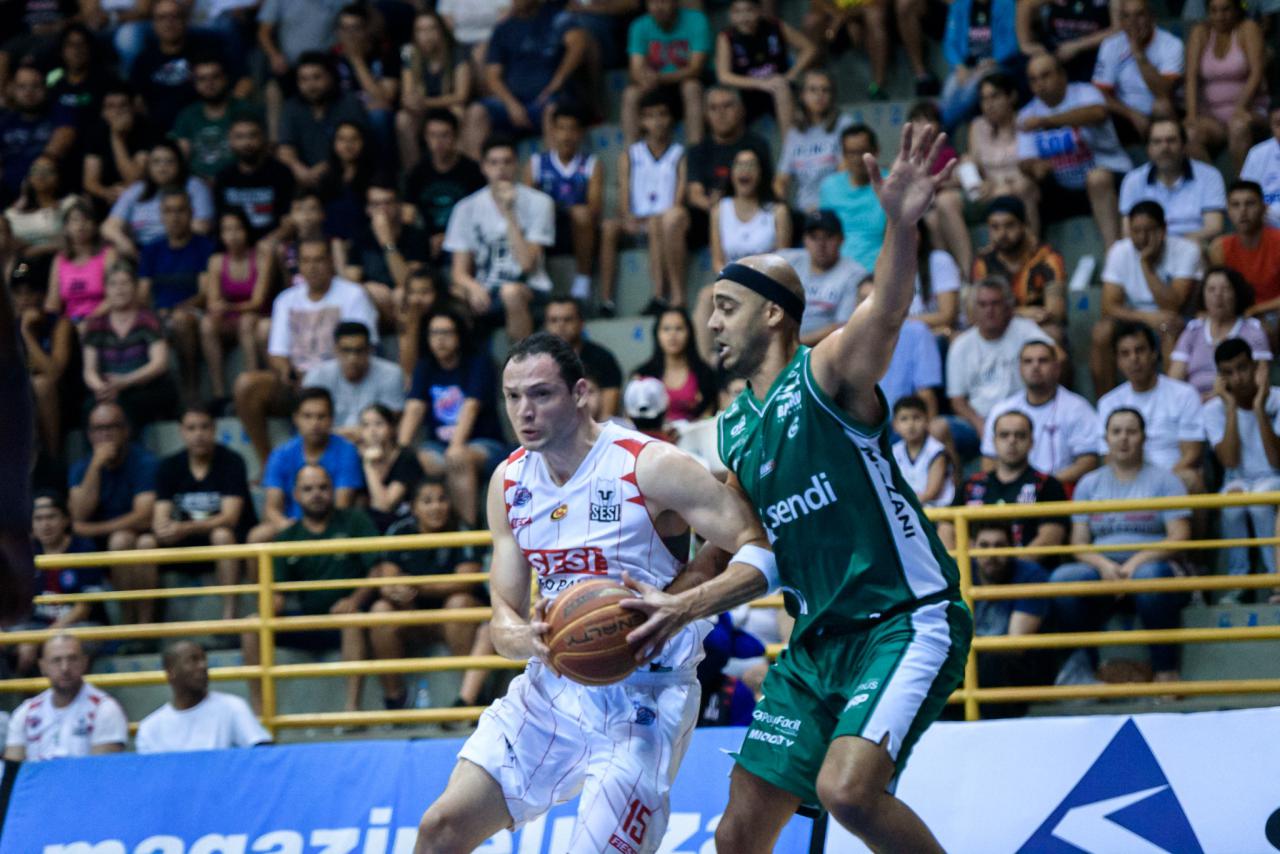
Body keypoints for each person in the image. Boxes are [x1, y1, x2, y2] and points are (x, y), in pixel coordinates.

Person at [699, 124, 971, 854]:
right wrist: (659, 605)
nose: (711, 322)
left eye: (726, 306)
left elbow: (885, 307)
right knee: (738, 836)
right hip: (814, 646)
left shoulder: (823, 375)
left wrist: (901, 223)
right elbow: (728, 543)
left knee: (846, 791)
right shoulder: (732, 431)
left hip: (902, 620)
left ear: (774, 313)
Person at [412, 331, 776, 854]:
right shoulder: (509, 482)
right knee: (438, 830)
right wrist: (530, 639)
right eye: (512, 396)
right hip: (552, 686)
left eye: (540, 394)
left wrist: (680, 604)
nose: (524, 411)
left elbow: (750, 542)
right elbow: (502, 620)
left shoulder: (647, 464)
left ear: (580, 394)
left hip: (647, 694)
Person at [1049, 407, 1191, 683]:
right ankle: (1087, 672)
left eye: (1131, 431)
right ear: (1106, 438)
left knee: (1151, 578)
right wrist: (1104, 566)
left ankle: (1166, 669)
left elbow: (1180, 536)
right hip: (1102, 569)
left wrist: (1134, 564)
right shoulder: (1089, 484)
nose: (1123, 438)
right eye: (1116, 432)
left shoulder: (1165, 480)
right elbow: (1078, 543)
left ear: (1143, 437)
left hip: (1151, 566)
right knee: (1063, 579)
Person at [241, 464, 381, 714]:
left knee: (353, 620)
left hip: (345, 618)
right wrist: (273, 605)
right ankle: (261, 712)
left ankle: (351, 711)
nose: (316, 494)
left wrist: (354, 600)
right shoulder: (288, 537)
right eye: (308, 489)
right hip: (306, 618)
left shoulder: (354, 520)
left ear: (332, 490)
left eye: (323, 488)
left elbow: (376, 570)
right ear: (295, 495)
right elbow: (277, 591)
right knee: (252, 626)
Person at [234, 239, 378, 466]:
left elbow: (362, 347)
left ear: (331, 262)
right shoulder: (286, 300)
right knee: (247, 385)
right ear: (298, 265)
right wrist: (288, 372)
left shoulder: (353, 295)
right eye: (307, 261)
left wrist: (319, 377)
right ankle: (268, 464)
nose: (313, 266)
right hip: (298, 384)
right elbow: (277, 353)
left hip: (341, 379)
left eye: (319, 260)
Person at [370, 477, 490, 710]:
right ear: (414, 507)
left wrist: (415, 585)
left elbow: (466, 580)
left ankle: (471, 697)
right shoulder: (400, 531)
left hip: (452, 621)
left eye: (442, 500)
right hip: (412, 615)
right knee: (380, 610)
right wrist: (395, 589)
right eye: (427, 501)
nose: (436, 507)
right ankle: (395, 698)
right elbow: (388, 577)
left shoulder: (462, 529)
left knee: (459, 604)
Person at [398, 308, 507, 527]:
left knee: (457, 457)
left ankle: (466, 536)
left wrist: (455, 446)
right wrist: (400, 450)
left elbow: (471, 406)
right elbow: (414, 408)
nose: (439, 339)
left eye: (446, 333)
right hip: (438, 446)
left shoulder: (479, 362)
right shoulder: (425, 366)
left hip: (484, 445)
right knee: (417, 459)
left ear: (459, 335)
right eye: (434, 333)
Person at [444, 136, 555, 342]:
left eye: (507, 161)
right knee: (453, 295)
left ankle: (522, 360)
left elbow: (527, 265)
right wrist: (473, 287)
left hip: (530, 288)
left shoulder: (540, 203)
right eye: (494, 163)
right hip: (485, 290)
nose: (500, 169)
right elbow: (458, 272)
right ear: (483, 167)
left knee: (510, 292)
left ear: (517, 165)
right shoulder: (465, 208)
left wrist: (509, 212)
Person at [1017, 53, 1130, 248]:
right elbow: (1025, 161)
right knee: (1023, 186)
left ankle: (1114, 254)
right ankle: (1031, 256)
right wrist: (1034, 167)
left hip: (1109, 176)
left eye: (1045, 76)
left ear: (1062, 75)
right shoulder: (1027, 114)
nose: (1040, 84)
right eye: (1033, 79)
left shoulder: (1085, 93)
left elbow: (1098, 113)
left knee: (1097, 178)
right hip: (1063, 187)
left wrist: (1047, 121)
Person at [153, 403, 253, 622]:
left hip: (223, 540)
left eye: (204, 427)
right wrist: (164, 528)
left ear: (214, 429)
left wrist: (184, 527)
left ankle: (229, 616)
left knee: (222, 535)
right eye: (191, 428)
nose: (198, 434)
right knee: (143, 544)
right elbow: (159, 517)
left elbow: (230, 517)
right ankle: (142, 626)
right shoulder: (169, 466)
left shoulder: (232, 462)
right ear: (181, 431)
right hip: (185, 541)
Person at [938, 277, 1054, 460]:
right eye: (982, 305)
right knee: (938, 428)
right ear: (973, 310)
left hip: (1024, 417)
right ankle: (959, 488)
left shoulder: (1025, 330)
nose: (989, 311)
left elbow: (1057, 357)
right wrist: (981, 426)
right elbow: (957, 400)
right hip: (978, 421)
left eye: (995, 304)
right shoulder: (961, 345)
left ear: (1008, 307)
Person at [1200, 338, 1280, 598]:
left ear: (1256, 367)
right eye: (1228, 372)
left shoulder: (1277, 399)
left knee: (1259, 502)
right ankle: (1239, 580)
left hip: (1274, 477)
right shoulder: (1213, 410)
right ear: (1220, 378)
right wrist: (1232, 407)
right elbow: (1230, 461)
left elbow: (1276, 460)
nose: (1238, 377)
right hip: (1238, 479)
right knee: (1232, 503)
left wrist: (1258, 407)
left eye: (1243, 368)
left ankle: (1274, 577)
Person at [68, 401, 160, 626]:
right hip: (95, 545)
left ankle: (144, 625)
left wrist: (92, 529)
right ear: (89, 435)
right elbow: (78, 513)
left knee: (130, 541)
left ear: (126, 430)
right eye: (98, 429)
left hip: (139, 535)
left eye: (112, 427)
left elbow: (144, 516)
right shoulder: (82, 467)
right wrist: (95, 467)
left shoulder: (145, 462)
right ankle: (129, 622)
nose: (105, 434)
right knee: (120, 539)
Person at [1094, 200, 1201, 391]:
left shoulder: (1186, 250)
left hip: (1175, 316)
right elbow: (1108, 307)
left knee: (1169, 326)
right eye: (1136, 231)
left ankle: (1171, 401)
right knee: (1102, 332)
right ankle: (1105, 402)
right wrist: (1146, 317)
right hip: (1136, 316)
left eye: (1149, 230)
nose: (1142, 237)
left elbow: (1173, 304)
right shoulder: (1120, 251)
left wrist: (1146, 265)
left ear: (1163, 229)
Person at [460, 0, 589, 156]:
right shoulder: (504, 29)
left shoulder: (557, 17)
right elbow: (492, 75)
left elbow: (579, 43)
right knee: (476, 112)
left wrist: (558, 81)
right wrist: (511, 104)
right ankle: (477, 176)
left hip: (548, 100)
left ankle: (553, 174)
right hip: (512, 104)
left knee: (554, 111)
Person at [600, 91, 687, 316]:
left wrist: (659, 218)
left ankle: (659, 295)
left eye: (662, 115)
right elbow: (623, 194)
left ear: (671, 119)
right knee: (609, 227)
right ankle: (606, 301)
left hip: (663, 219)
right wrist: (627, 217)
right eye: (649, 116)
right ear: (640, 121)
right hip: (635, 219)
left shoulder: (679, 154)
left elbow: (680, 196)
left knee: (659, 222)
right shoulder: (630, 155)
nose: (656, 122)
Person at [939, 409, 1070, 555]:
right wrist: (962, 567)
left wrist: (1009, 567)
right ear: (994, 441)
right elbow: (946, 527)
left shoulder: (1049, 485)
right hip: (974, 572)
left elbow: (1050, 537)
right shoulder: (971, 484)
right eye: (1004, 435)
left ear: (1031, 442)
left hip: (1028, 574)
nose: (1012, 441)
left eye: (1020, 435)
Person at [1097, 320, 1205, 492]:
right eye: (1125, 354)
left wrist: (1158, 484)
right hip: (1128, 479)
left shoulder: (1184, 394)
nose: (1134, 359)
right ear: (1118, 361)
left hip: (1173, 477)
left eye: (1140, 350)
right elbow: (1109, 458)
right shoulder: (1108, 402)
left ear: (1154, 353)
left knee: (1191, 479)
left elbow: (1192, 454)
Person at [981, 340, 1102, 486]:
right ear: (1019, 368)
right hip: (1011, 494)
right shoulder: (1002, 409)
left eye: (1043, 361)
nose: (1035, 366)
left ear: (1056, 368)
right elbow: (988, 460)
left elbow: (1088, 461)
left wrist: (1044, 486)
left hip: (1059, 492)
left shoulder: (1078, 408)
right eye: (1028, 361)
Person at [966, 520, 1055, 718]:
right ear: (971, 547)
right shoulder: (960, 572)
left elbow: (1016, 643)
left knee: (990, 663)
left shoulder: (1031, 575)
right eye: (984, 546)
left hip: (1020, 666)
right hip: (971, 659)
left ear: (1012, 548)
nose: (991, 554)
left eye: (999, 546)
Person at [251, 388, 364, 543]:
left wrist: (311, 532)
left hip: (332, 526)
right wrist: (289, 527)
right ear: (296, 418)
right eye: (307, 416)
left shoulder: (347, 452)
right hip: (291, 525)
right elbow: (271, 509)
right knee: (258, 536)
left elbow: (341, 506)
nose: (314, 423)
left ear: (331, 419)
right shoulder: (280, 454)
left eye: (321, 416)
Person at [685, 87, 774, 282]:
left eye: (727, 106)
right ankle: (673, 298)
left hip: (752, 208)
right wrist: (721, 209)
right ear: (706, 114)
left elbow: (768, 186)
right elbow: (694, 194)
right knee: (673, 218)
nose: (721, 113)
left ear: (742, 109)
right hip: (707, 215)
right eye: (714, 108)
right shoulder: (699, 150)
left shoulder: (757, 145)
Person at [13, 492, 105, 677]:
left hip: (78, 625)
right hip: (36, 626)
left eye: (51, 517)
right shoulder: (25, 551)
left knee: (70, 646)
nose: (45, 524)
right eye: (38, 519)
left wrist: (43, 638)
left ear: (65, 520)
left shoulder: (84, 549)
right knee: (12, 641)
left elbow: (84, 608)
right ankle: (26, 701)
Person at [138, 189, 216, 402]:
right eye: (169, 211)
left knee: (181, 321)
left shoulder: (204, 246)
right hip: (157, 314)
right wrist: (152, 315)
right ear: (161, 216)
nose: (175, 217)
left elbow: (204, 294)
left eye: (180, 210)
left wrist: (174, 310)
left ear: (191, 213)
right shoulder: (151, 250)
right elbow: (143, 293)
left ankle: (191, 393)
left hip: (192, 313)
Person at [129, 0, 249, 134]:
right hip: (161, 137)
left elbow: (244, 82)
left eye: (175, 16)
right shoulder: (144, 61)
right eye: (162, 17)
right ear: (153, 24)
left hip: (205, 131)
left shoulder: (207, 51)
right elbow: (137, 103)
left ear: (186, 20)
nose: (169, 23)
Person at [81, 264, 179, 428]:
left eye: (125, 283)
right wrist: (103, 388)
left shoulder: (149, 319)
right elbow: (89, 370)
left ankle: (127, 452)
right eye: (113, 284)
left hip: (145, 386)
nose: (119, 289)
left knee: (124, 405)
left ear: (135, 287)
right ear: (106, 289)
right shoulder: (95, 325)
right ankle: (97, 453)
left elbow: (159, 364)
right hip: (107, 389)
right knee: (90, 409)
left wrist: (125, 381)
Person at [4, 635, 126, 761]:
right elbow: (13, 770)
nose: (65, 668)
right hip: (37, 781)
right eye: (56, 660)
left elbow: (102, 771)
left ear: (85, 662)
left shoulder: (105, 709)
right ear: (42, 666)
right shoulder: (26, 712)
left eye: (72, 659)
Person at [136, 640, 271, 753]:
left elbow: (262, 753)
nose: (203, 666)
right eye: (193, 660)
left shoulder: (232, 707)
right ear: (170, 671)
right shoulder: (150, 729)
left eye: (204, 659)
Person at [525, 105, 603, 302]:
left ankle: (583, 279)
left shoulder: (591, 163)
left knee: (582, 213)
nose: (567, 135)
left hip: (577, 228)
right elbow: (527, 204)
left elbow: (594, 207)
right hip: (544, 227)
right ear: (552, 131)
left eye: (572, 129)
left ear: (581, 133)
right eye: (561, 128)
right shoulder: (536, 163)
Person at [199, 209, 275, 406]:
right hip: (231, 319)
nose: (232, 235)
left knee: (247, 321)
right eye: (227, 230)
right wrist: (223, 307)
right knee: (207, 324)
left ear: (247, 230)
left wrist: (229, 306)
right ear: (221, 234)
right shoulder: (216, 261)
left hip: (257, 317)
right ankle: (219, 393)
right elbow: (212, 302)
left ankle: (252, 384)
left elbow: (258, 302)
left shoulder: (261, 256)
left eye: (237, 228)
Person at [971, 195, 1067, 344]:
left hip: (1036, 329)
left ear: (1023, 225)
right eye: (995, 227)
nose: (1002, 234)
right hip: (998, 329)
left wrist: (1003, 314)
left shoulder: (1047, 258)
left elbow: (1055, 313)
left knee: (1052, 333)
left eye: (1009, 225)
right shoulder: (983, 262)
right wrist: (1021, 313)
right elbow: (976, 312)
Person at [1118, 119, 1226, 245]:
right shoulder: (1133, 180)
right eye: (1157, 142)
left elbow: (1214, 227)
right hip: (1148, 247)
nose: (1165, 148)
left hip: (1194, 245)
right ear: (1148, 149)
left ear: (1184, 146)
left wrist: (1171, 247)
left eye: (1171, 140)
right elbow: (1127, 232)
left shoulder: (1209, 175)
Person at [714, 0, 816, 132]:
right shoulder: (726, 37)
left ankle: (789, 146)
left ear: (759, 11)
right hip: (747, 93)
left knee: (781, 87)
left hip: (779, 89)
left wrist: (791, 75)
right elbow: (724, 76)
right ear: (730, 15)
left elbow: (809, 48)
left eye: (748, 11)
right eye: (737, 12)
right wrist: (760, 83)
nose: (743, 17)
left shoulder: (775, 26)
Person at [1170, 267, 1272, 399]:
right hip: (1192, 405)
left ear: (1236, 294)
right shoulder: (1193, 331)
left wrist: (1214, 397)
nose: (1218, 295)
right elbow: (1174, 380)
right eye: (1211, 289)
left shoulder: (1253, 331)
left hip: (1237, 404)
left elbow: (1260, 382)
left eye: (1225, 289)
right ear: (1203, 295)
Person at [102, 140, 214, 259]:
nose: (162, 167)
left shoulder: (195, 187)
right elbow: (108, 227)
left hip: (181, 249)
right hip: (139, 252)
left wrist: (164, 248)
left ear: (179, 164)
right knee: (112, 252)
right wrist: (126, 245)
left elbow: (201, 228)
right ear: (148, 166)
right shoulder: (138, 189)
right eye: (156, 162)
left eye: (169, 161)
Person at [1090, 0, 1183, 142]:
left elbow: (1163, 92)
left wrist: (1138, 54)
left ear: (1152, 16)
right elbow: (1100, 93)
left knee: (1162, 106)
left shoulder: (1172, 44)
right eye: (1127, 16)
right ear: (1121, 21)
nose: (1133, 22)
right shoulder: (1111, 44)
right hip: (1126, 114)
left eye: (1139, 15)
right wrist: (1132, 115)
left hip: (1163, 114)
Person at [276, 51, 370, 189]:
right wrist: (301, 171)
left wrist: (328, 166)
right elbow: (285, 149)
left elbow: (359, 146)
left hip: (344, 178)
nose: (311, 85)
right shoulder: (292, 107)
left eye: (317, 77)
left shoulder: (349, 103)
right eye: (304, 79)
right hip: (304, 179)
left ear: (330, 77)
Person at [622, 0, 710, 145]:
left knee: (691, 87)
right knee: (631, 94)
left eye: (663, 1)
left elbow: (695, 69)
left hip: (685, 83)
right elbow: (635, 69)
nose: (658, 7)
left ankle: (696, 150)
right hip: (656, 86)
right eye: (653, 2)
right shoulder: (639, 25)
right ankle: (632, 156)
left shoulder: (697, 20)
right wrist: (646, 79)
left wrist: (660, 77)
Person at [963, 73, 1041, 236]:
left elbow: (1033, 167)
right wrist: (979, 183)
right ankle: (965, 261)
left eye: (995, 97)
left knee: (1017, 187)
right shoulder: (978, 126)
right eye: (984, 99)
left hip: (1022, 187)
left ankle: (1032, 250)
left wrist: (998, 184)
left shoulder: (1027, 121)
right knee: (945, 201)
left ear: (1011, 96)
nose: (989, 105)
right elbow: (971, 163)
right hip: (988, 190)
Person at [775, 210, 867, 349]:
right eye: (814, 237)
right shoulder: (788, 260)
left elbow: (843, 326)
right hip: (785, 341)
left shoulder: (854, 274)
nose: (821, 244)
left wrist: (794, 343)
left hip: (826, 349)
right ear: (804, 240)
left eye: (828, 237)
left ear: (841, 239)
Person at [404, 109, 486, 264]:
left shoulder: (473, 171)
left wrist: (449, 237)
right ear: (425, 138)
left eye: (444, 135)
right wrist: (426, 239)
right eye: (433, 135)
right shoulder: (417, 173)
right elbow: (409, 213)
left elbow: (480, 214)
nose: (438, 141)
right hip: (427, 241)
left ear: (456, 136)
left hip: (464, 240)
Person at [396, 11, 472, 170]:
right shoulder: (409, 53)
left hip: (449, 108)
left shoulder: (457, 51)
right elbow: (407, 96)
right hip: (424, 111)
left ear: (441, 30)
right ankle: (414, 173)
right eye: (421, 30)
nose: (427, 35)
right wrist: (412, 102)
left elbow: (461, 95)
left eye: (431, 29)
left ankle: (458, 171)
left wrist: (425, 102)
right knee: (403, 119)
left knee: (459, 112)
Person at [303, 321, 406, 440]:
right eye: (346, 350)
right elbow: (308, 422)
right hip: (329, 445)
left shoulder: (391, 374)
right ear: (336, 350)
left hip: (376, 442)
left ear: (370, 350)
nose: (353, 358)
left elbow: (391, 420)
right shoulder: (317, 376)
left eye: (359, 350)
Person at [344, 180, 430, 316]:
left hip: (403, 302)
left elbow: (411, 284)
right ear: (368, 209)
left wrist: (388, 243)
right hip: (375, 303)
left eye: (388, 203)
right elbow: (350, 283)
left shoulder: (415, 236)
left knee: (401, 294)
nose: (383, 210)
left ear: (399, 205)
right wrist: (368, 288)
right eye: (376, 204)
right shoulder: (360, 237)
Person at [774, 69, 852, 215]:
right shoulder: (795, 134)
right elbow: (781, 179)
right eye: (813, 90)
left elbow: (844, 175)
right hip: (802, 212)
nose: (819, 95)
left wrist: (822, 206)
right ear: (802, 95)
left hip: (834, 209)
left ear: (832, 95)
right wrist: (782, 208)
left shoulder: (844, 125)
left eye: (825, 90)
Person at [170, 57, 258, 182]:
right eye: (202, 79)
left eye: (215, 77)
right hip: (197, 184)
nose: (209, 83)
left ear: (225, 79)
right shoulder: (187, 115)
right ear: (195, 84)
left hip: (238, 182)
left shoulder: (244, 110)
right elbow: (180, 157)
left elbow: (258, 151)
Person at [212, 114, 296, 244]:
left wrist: (264, 245)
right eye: (239, 137)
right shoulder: (223, 177)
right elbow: (219, 222)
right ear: (230, 141)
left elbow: (289, 221)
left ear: (263, 138)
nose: (247, 143)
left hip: (273, 245)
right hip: (234, 248)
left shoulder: (281, 174)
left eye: (253, 136)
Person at [938, 0, 1020, 131]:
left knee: (970, 88)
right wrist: (959, 65)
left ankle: (943, 130)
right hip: (966, 66)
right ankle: (942, 132)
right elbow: (950, 43)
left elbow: (1012, 42)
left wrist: (995, 59)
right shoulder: (959, 5)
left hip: (997, 65)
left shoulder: (1007, 4)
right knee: (950, 89)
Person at [0, 64, 75, 205]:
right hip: (7, 195)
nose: (29, 92)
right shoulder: (5, 119)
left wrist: (44, 162)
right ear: (12, 89)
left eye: (35, 86)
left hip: (50, 195)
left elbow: (65, 134)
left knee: (43, 166)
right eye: (22, 87)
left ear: (45, 87)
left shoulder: (58, 112)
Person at [711, 149, 791, 273]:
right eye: (739, 164)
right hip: (731, 283)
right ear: (731, 173)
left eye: (751, 165)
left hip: (766, 282)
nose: (745, 169)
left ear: (761, 173)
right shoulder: (719, 210)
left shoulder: (778, 211)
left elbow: (783, 262)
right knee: (705, 293)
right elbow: (717, 262)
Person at [818, 125, 885, 272]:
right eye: (851, 153)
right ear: (843, 155)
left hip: (879, 272)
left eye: (863, 152)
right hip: (838, 274)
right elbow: (824, 236)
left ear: (876, 151)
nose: (857, 159)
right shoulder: (829, 187)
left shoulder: (890, 184)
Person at [633, 307, 719, 423]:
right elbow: (632, 417)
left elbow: (710, 417)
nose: (672, 335)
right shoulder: (643, 375)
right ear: (657, 334)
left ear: (690, 333)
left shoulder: (705, 374)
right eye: (666, 329)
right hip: (652, 438)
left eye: (679, 329)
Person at [1209, 180, 1280, 318]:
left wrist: (1255, 310)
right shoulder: (1219, 248)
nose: (1243, 211)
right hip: (1237, 314)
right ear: (1228, 211)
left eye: (1250, 203)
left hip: (1273, 313)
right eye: (1235, 205)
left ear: (1264, 208)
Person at [542, 297, 624, 416]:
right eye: (554, 320)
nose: (560, 325)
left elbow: (608, 416)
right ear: (546, 325)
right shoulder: (537, 361)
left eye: (568, 319)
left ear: (581, 323)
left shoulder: (603, 358)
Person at [45, 200, 114, 326]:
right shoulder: (60, 259)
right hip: (71, 323)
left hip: (103, 318)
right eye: (75, 220)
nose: (81, 225)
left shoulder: (108, 254)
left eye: (86, 220)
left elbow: (115, 296)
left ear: (94, 226)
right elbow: (52, 302)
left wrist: (89, 320)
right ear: (66, 228)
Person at [357, 403, 425, 531]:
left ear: (392, 428)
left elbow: (384, 505)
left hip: (406, 523)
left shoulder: (406, 458)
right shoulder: (356, 458)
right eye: (366, 425)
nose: (372, 431)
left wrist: (369, 465)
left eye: (379, 424)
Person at [1015, 0, 1118, 83]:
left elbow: (1118, 29)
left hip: (1094, 53)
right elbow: (1025, 4)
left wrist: (1077, 46)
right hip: (1058, 52)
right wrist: (1025, 44)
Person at [891, 395, 952, 507]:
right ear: (895, 425)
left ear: (927, 421)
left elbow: (931, 493)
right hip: (907, 510)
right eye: (904, 419)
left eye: (916, 418)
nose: (911, 425)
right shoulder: (893, 452)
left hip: (937, 512)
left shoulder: (936, 451)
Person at [1240, 102, 1280, 229]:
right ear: (1271, 127)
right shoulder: (1257, 154)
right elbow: (1245, 195)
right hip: (1267, 229)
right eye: (1279, 124)